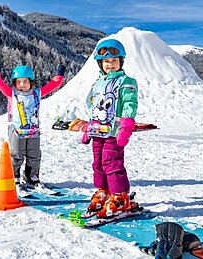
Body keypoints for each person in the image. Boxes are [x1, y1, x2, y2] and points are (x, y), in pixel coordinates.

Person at [0, 58, 65, 188]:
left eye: (25, 81)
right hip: (16, 130)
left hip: (33, 131)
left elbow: (53, 85)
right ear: (14, 83)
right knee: (17, 154)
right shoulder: (11, 94)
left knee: (34, 154)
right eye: (19, 82)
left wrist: (60, 74)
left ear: (31, 81)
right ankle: (14, 175)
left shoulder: (37, 93)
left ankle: (31, 175)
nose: (22, 84)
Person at [82, 39, 138, 218]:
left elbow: (130, 102)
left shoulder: (125, 81)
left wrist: (127, 123)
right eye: (106, 62)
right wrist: (88, 127)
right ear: (100, 63)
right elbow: (92, 106)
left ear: (121, 62)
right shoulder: (97, 83)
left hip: (114, 132)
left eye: (114, 61)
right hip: (98, 131)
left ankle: (121, 196)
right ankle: (104, 191)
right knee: (98, 163)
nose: (110, 65)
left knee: (112, 163)